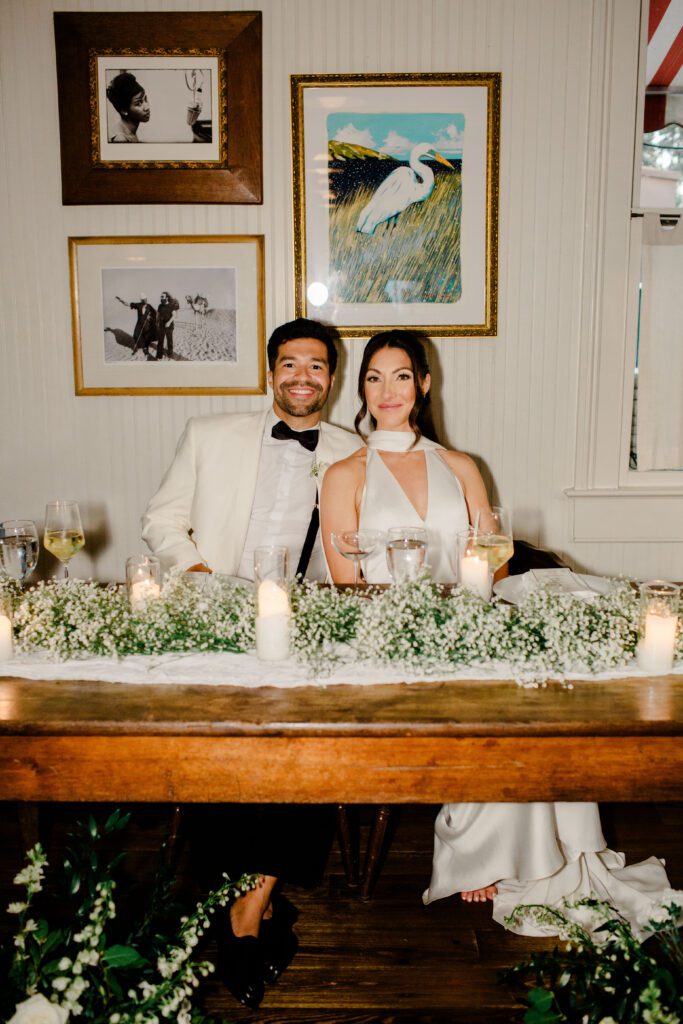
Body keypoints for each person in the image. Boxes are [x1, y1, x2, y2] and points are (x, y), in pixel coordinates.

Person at [321, 328, 681, 939]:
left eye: (402, 375)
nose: (388, 390)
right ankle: (482, 853)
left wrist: (469, 600)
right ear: (361, 388)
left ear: (424, 385)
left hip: (468, 617)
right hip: (384, 633)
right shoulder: (344, 474)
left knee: (532, 687)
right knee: (482, 685)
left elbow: (496, 563)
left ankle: (533, 855)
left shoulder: (459, 466)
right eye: (375, 377)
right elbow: (345, 583)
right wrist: (417, 623)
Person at [142, 318, 361, 1008]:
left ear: (332, 375)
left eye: (317, 366)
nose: (303, 377)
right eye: (290, 364)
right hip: (214, 617)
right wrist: (202, 576)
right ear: (271, 373)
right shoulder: (210, 435)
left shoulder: (353, 450)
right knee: (232, 751)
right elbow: (161, 521)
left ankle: (250, 902)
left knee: (312, 747)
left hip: (308, 625)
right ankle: (251, 903)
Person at [105, 72, 150, 142]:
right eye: (138, 103)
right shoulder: (121, 139)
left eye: (145, 99)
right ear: (123, 110)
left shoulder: (130, 133)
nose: (147, 107)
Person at [115, 293, 156, 358]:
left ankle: (146, 350)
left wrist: (150, 316)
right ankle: (137, 347)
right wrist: (121, 300)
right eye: (143, 300)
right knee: (136, 335)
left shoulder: (149, 306)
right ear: (141, 300)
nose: (145, 301)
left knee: (146, 337)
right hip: (139, 324)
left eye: (145, 299)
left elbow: (154, 313)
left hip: (146, 324)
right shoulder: (138, 305)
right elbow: (128, 304)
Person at [155, 291, 178, 360]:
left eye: (162, 297)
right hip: (161, 326)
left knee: (169, 340)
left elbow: (174, 315)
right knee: (160, 341)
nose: (161, 298)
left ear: (167, 298)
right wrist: (157, 322)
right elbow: (158, 314)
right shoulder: (160, 306)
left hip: (169, 326)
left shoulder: (171, 305)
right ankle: (159, 356)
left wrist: (169, 322)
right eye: (161, 297)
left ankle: (170, 353)